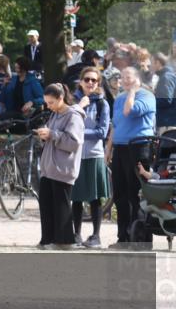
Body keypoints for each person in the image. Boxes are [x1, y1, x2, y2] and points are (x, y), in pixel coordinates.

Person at [109, 66, 157, 248]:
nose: (124, 80)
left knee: (135, 193)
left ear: (137, 78)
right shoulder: (119, 98)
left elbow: (130, 110)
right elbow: (115, 125)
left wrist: (133, 91)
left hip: (138, 147)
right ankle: (123, 238)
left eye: (128, 77)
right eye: (122, 77)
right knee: (120, 194)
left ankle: (139, 239)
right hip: (120, 148)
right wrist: (108, 149)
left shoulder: (146, 96)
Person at [33, 83, 85, 250]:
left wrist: (52, 134)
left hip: (63, 169)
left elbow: (74, 143)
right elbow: (53, 135)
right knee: (46, 205)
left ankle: (64, 241)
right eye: (47, 103)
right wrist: (44, 135)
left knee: (61, 207)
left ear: (61, 98)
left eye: (51, 102)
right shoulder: (55, 114)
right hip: (49, 168)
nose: (49, 106)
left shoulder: (73, 116)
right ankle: (47, 240)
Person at [71, 67, 110, 248]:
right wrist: (80, 107)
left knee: (95, 198)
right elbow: (67, 125)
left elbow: (102, 132)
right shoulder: (73, 101)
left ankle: (96, 236)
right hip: (76, 155)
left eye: (94, 80)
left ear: (98, 83)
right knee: (76, 197)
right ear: (81, 81)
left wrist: (79, 132)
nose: (90, 83)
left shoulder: (103, 104)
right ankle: (76, 234)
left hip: (94, 155)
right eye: (87, 79)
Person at [153, 53, 176, 131]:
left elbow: (165, 100)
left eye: (152, 62)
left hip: (168, 124)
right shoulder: (164, 76)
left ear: (158, 63)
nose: (150, 66)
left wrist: (150, 100)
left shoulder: (166, 77)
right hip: (166, 122)